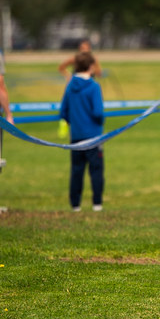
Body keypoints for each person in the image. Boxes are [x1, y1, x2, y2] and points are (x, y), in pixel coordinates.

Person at [59, 50, 105, 212]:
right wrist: (99, 123)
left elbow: (63, 111)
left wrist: (75, 122)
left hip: (76, 136)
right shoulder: (94, 87)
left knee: (77, 171)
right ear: (91, 66)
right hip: (93, 137)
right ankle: (97, 204)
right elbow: (98, 112)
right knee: (96, 170)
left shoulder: (70, 85)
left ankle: (75, 205)